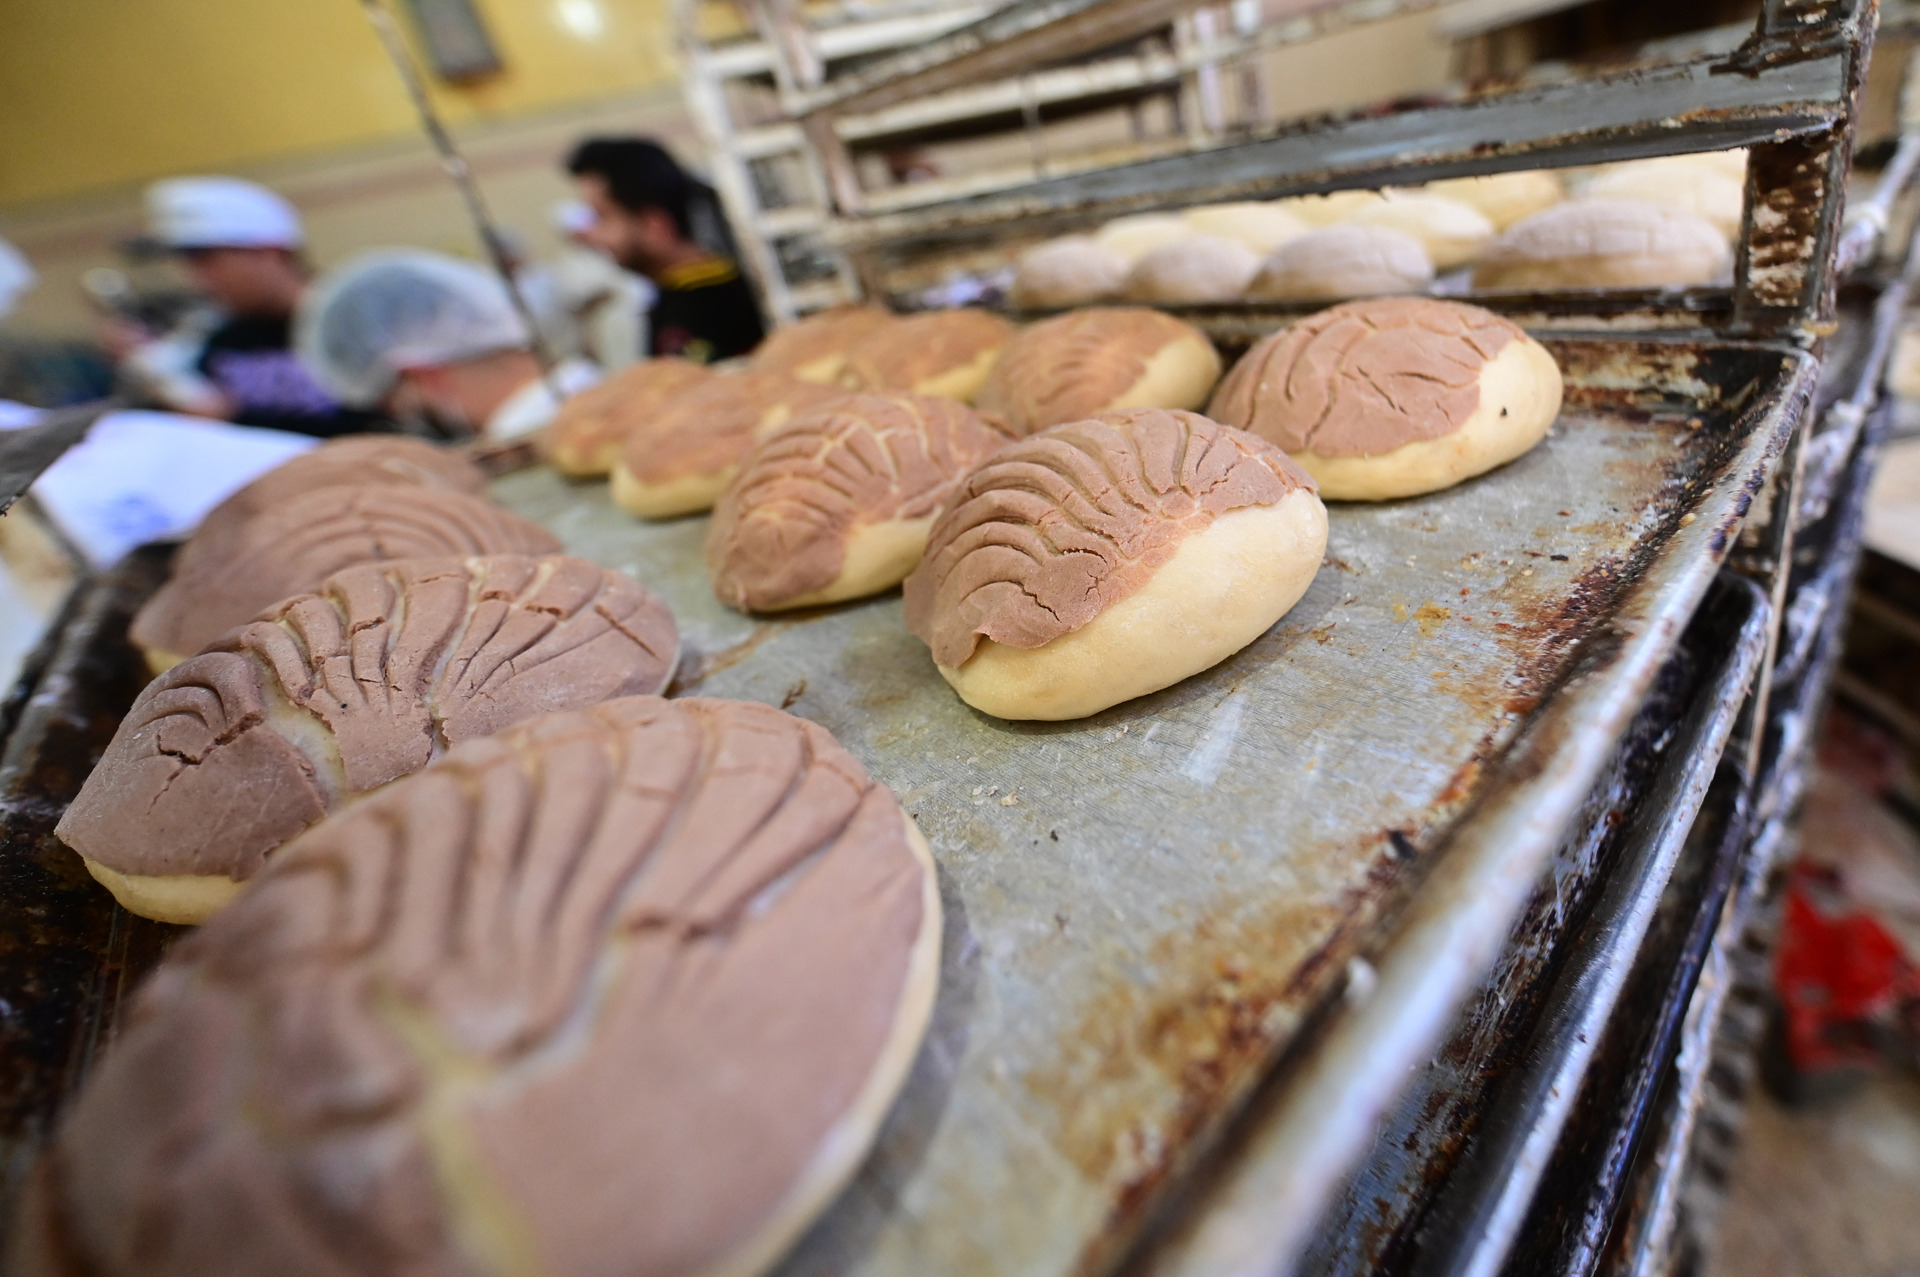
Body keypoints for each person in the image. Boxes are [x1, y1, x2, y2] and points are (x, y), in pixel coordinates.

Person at [132, 177, 380, 437]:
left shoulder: (360, 324)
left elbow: (390, 427)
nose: (195, 281)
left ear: (267, 252)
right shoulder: (220, 341)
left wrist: (231, 419)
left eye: (205, 260)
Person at [295, 248, 598, 441]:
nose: (408, 423)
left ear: (422, 377)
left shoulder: (537, 452)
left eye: (399, 408)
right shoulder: (605, 381)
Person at [565, 138, 766, 364]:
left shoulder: (713, 305)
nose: (591, 234)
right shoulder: (677, 296)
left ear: (655, 226)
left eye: (602, 217)